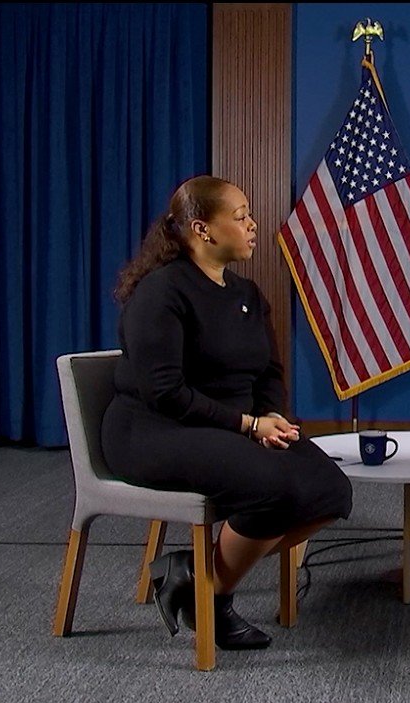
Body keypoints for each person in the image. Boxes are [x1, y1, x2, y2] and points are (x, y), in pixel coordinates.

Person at [102, 175, 353, 650]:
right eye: (240, 217)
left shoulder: (246, 294)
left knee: (330, 491)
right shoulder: (161, 294)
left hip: (233, 430)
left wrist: (269, 418)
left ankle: (197, 580)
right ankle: (214, 602)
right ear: (202, 230)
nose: (253, 225)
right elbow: (165, 393)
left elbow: (268, 374)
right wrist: (247, 425)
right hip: (155, 431)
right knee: (273, 489)